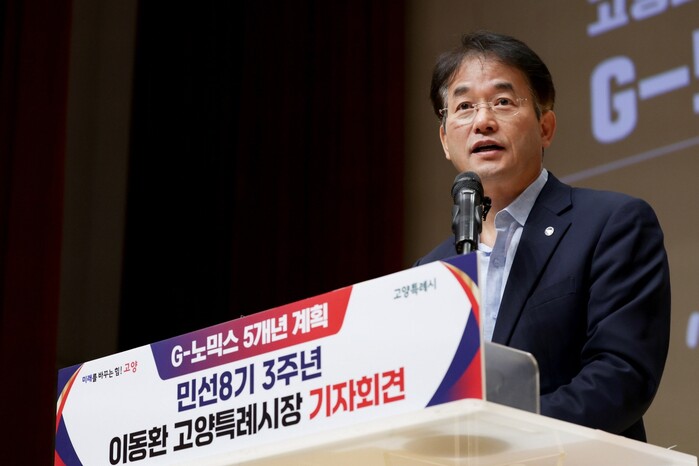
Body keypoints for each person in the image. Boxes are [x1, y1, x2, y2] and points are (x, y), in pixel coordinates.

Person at [414, 31, 670, 442]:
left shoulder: (612, 224)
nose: (482, 121)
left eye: (502, 101)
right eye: (464, 106)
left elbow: (621, 375)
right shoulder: (430, 271)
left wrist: (499, 438)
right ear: (445, 140)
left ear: (545, 126)